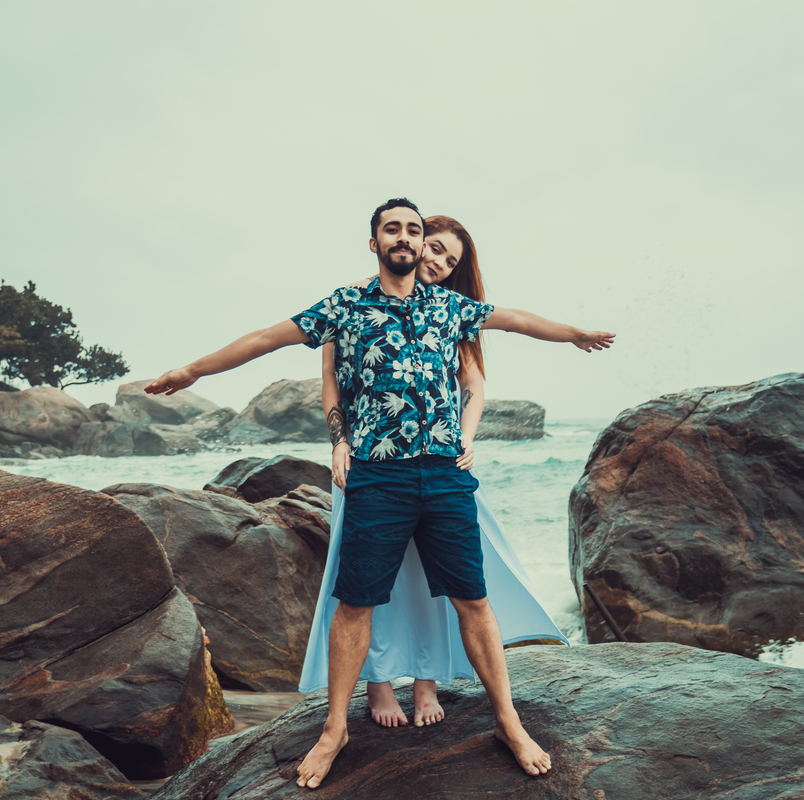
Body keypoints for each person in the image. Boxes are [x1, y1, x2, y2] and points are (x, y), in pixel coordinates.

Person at [146, 198, 614, 790]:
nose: (405, 238)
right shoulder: (344, 305)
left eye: (414, 230)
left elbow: (516, 319)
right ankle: (335, 729)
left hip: (444, 474)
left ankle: (508, 721)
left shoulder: (450, 307)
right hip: (378, 476)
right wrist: (193, 371)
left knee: (473, 601)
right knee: (356, 603)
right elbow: (266, 338)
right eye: (393, 229)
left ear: (420, 243)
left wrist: (573, 334)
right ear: (375, 242)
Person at [299, 214, 593, 729]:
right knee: (368, 586)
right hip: (366, 459)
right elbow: (331, 380)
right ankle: (378, 684)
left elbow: (474, 383)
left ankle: (428, 678)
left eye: (449, 259)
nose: (436, 261)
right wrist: (339, 442)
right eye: (433, 247)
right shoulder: (352, 301)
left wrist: (466, 436)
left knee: (433, 581)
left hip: (438, 461)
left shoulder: (448, 312)